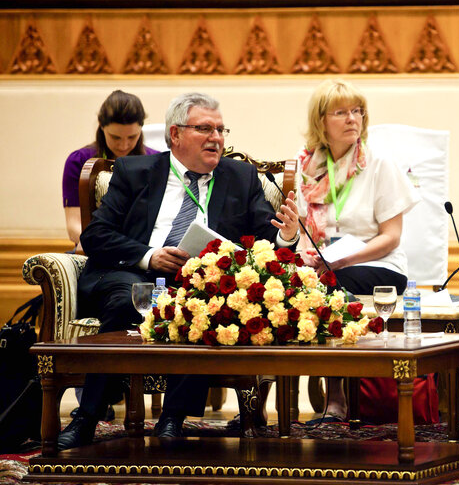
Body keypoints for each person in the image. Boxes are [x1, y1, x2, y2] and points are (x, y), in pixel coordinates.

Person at [58, 92, 300, 450]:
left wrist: (286, 235)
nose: (217, 138)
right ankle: (88, 416)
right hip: (136, 275)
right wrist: (149, 255)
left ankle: (173, 417)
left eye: (220, 130)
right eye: (204, 128)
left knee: (203, 306)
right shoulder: (134, 172)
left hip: (200, 282)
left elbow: (265, 239)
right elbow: (96, 235)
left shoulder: (241, 177)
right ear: (175, 135)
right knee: (131, 299)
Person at [296, 79, 419, 420]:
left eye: (357, 111)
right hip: (324, 266)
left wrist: (344, 257)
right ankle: (260, 402)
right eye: (341, 112)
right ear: (321, 121)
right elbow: (305, 230)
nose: (353, 119)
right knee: (282, 289)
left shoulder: (379, 162)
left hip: (380, 265)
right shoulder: (307, 165)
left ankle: (336, 396)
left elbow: (391, 236)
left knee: (330, 287)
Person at [62, 90, 159, 246]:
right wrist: (109, 249)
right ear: (101, 127)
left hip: (144, 250)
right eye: (115, 137)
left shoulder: (155, 162)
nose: (124, 145)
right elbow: (74, 227)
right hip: (96, 248)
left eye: (132, 137)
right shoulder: (78, 161)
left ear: (141, 128)